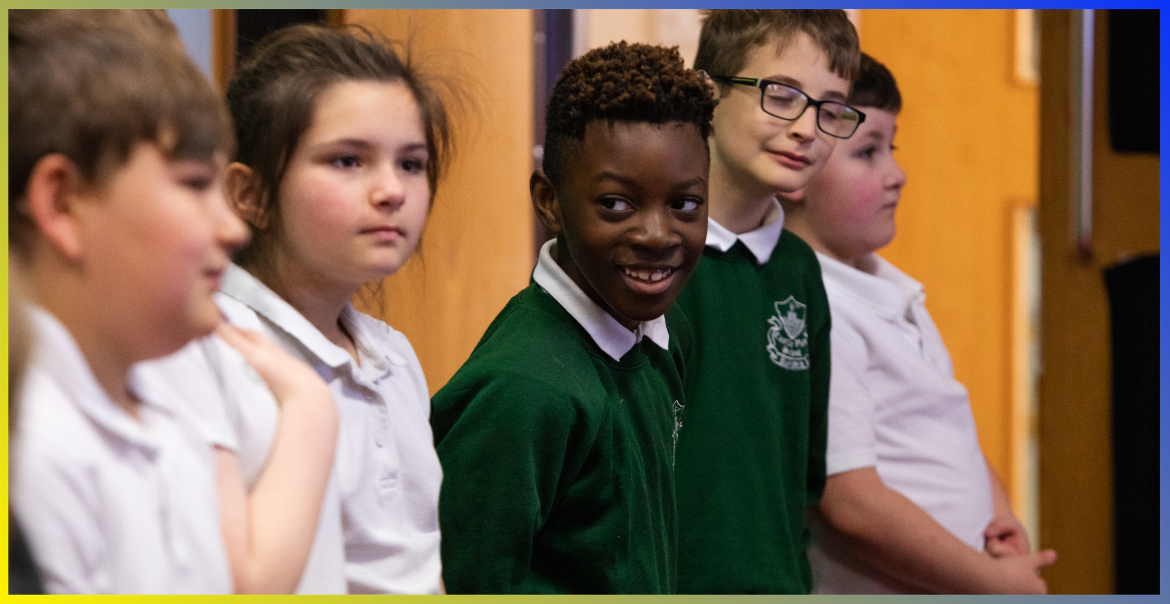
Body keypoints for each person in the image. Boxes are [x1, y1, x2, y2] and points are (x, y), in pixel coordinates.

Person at [8, 9, 338, 594]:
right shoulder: (35, 446)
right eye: (192, 184)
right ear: (62, 203)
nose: (233, 229)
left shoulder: (167, 414)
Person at [431, 41, 715, 594]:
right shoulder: (524, 387)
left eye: (684, 204)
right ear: (549, 201)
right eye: (615, 204)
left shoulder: (663, 335)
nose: (656, 235)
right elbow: (466, 577)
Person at [780, 52, 1058, 594]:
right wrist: (993, 583)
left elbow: (949, 430)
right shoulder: (819, 309)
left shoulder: (893, 292)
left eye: (893, 148)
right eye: (868, 152)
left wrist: (999, 519)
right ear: (796, 171)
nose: (897, 174)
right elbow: (851, 504)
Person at [212, 23, 461, 594]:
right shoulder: (221, 357)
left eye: (412, 163)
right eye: (348, 161)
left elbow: (418, 563)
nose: (392, 191)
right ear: (248, 194)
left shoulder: (392, 355)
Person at [672, 9, 863, 594]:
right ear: (707, 93)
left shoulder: (798, 271)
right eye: (781, 95)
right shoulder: (650, 259)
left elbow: (804, 475)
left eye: (830, 109)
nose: (808, 128)